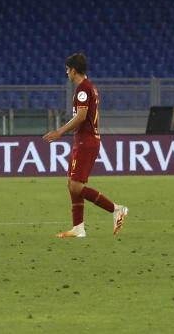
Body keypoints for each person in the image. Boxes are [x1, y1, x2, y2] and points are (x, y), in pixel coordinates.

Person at [43, 53, 127, 238]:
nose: (67, 74)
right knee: (72, 183)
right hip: (83, 141)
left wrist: (59, 132)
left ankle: (116, 209)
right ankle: (78, 227)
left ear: (73, 70)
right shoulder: (91, 88)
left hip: (85, 141)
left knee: (75, 186)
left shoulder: (83, 89)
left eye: (67, 70)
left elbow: (81, 117)